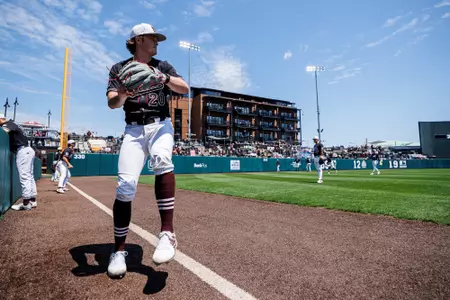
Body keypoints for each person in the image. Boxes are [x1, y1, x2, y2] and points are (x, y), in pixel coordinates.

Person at [105, 23, 189, 278]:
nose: (157, 42)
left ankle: (167, 234)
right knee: (126, 186)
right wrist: (122, 95)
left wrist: (162, 77)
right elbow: (112, 102)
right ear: (138, 39)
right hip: (133, 130)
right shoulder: (119, 68)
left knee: (162, 159)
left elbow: (184, 88)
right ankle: (119, 250)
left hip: (160, 125)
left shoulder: (163, 66)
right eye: (153, 38)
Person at [0, 112, 37, 210]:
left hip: (23, 150)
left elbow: (4, 130)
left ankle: (26, 203)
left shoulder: (8, 124)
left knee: (25, 177)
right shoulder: (13, 123)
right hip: (27, 150)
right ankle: (32, 201)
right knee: (29, 176)